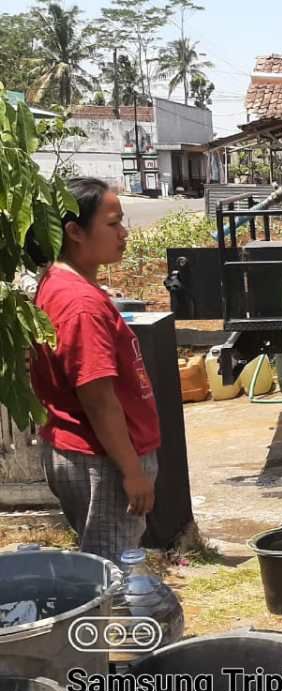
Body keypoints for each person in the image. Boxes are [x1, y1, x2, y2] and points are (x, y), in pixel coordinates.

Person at [29, 177, 160, 564]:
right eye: (113, 223)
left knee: (105, 561)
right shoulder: (79, 303)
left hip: (91, 453)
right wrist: (132, 472)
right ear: (74, 232)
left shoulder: (60, 283)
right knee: (112, 568)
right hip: (101, 460)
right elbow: (99, 399)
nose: (123, 234)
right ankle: (110, 627)